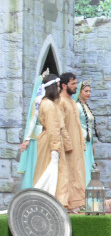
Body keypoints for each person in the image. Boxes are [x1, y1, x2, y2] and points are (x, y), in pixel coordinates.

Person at [33, 76, 70, 203]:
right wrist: (55, 147)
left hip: (47, 138)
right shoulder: (48, 105)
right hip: (50, 140)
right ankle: (52, 200)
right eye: (58, 86)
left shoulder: (47, 103)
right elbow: (53, 127)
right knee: (50, 171)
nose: (59, 89)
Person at [56, 72, 86, 211]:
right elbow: (61, 126)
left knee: (78, 173)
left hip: (77, 146)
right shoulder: (60, 101)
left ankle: (77, 203)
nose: (75, 86)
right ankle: (66, 203)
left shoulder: (73, 102)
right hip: (67, 147)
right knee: (67, 174)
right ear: (64, 85)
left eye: (76, 83)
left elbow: (78, 126)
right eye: (72, 84)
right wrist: (68, 144)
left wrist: (82, 144)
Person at [75, 80, 99, 184]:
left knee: (89, 164)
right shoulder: (77, 106)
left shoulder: (85, 106)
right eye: (86, 91)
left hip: (88, 140)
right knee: (83, 165)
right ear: (80, 92)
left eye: (89, 91)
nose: (88, 93)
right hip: (81, 140)